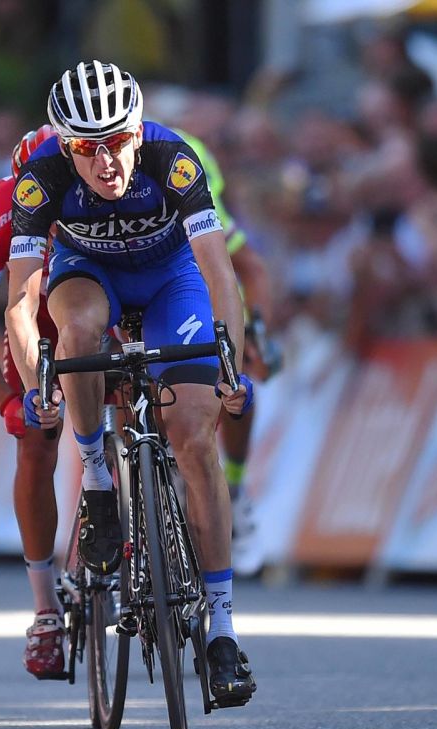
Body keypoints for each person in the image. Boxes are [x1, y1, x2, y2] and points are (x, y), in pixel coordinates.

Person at [5, 60, 255, 706]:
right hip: (89, 274)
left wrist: (229, 364)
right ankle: (96, 477)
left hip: (173, 279)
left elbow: (220, 274)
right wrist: (37, 382)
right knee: (77, 332)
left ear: (138, 132)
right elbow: (21, 303)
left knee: (193, 435)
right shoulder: (41, 178)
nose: (106, 160)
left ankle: (222, 626)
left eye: (117, 140)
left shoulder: (175, 160)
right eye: (87, 148)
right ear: (64, 146)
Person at [0, 124, 79, 676]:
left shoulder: (98, 193)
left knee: (133, 406)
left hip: (103, 305)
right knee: (35, 441)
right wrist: (7, 401)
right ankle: (46, 609)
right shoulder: (1, 207)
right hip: (34, 323)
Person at [176, 131, 279, 576]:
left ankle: (234, 489)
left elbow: (252, 268)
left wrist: (256, 334)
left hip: (207, 298)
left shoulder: (205, 209)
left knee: (237, 378)